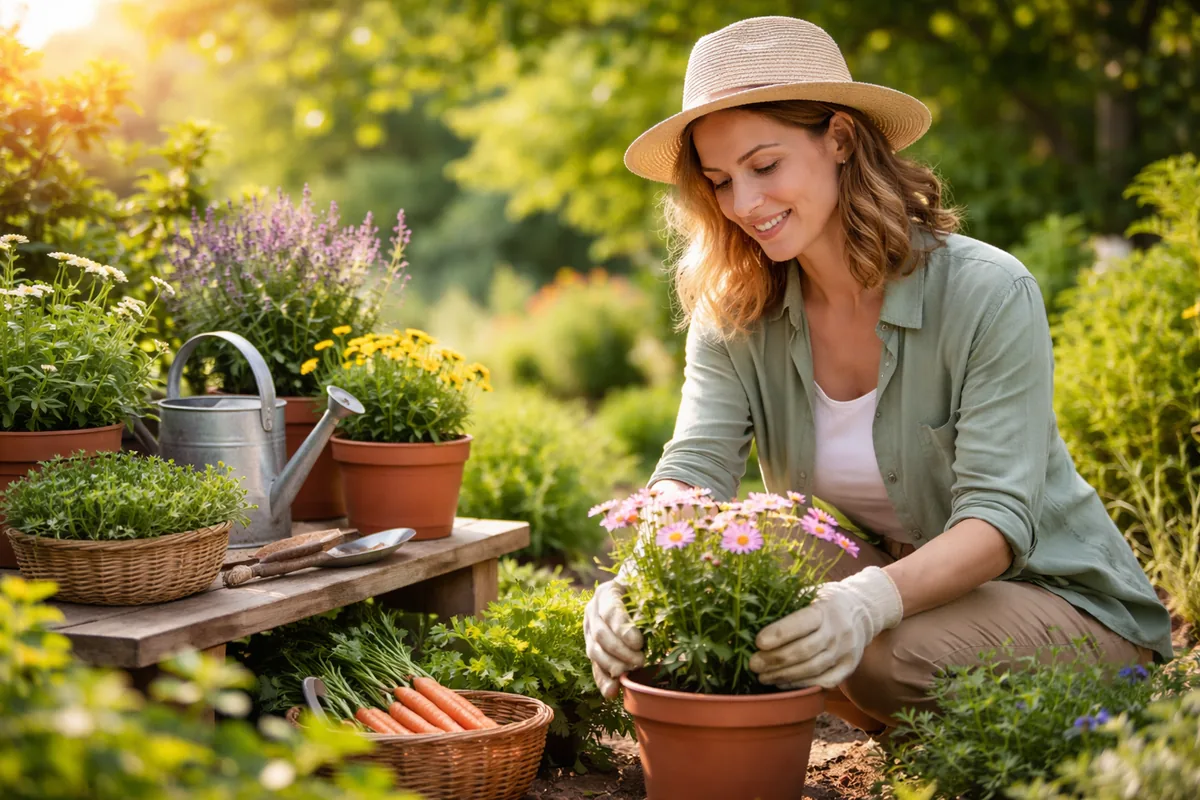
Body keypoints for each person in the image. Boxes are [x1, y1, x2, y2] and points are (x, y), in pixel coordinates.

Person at [582, 15, 1173, 734]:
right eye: (721, 182)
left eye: (765, 167)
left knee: (883, 658)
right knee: (731, 559)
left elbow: (995, 525)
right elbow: (694, 471)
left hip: (1052, 598)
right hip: (895, 594)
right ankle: (876, 711)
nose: (744, 205)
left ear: (839, 138)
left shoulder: (987, 292)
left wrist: (862, 605)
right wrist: (631, 588)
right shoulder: (736, 307)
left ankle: (907, 711)